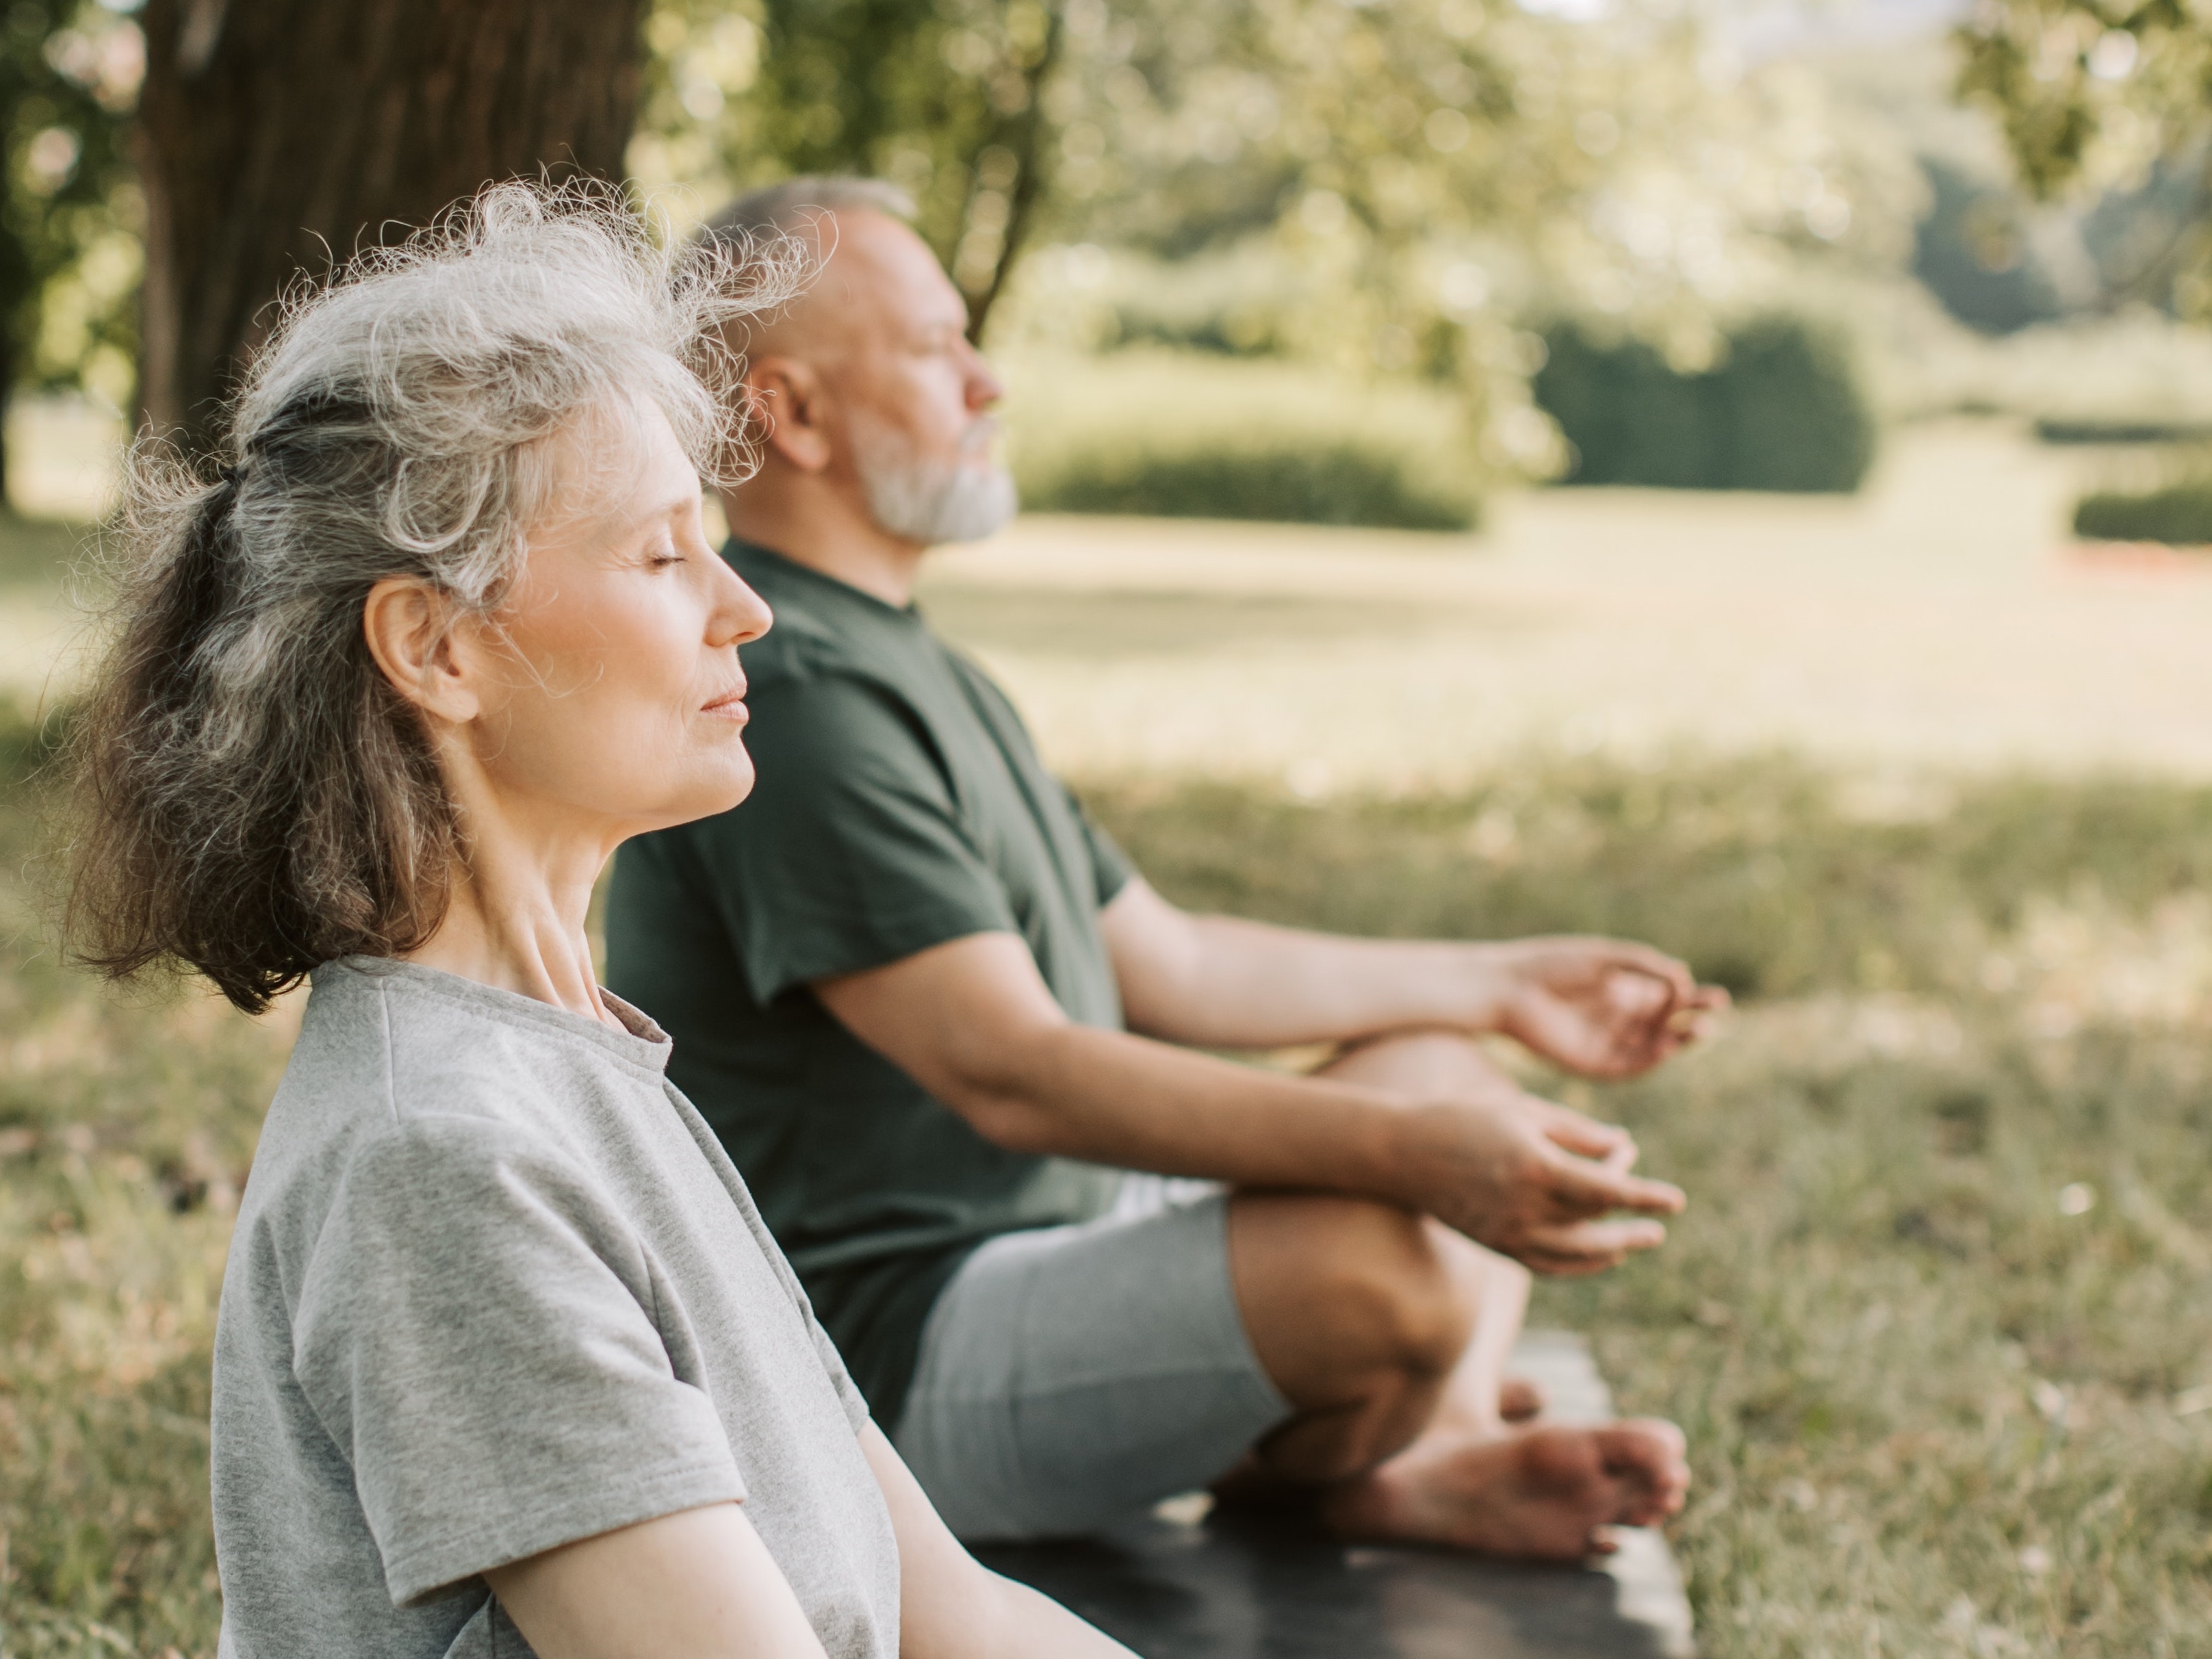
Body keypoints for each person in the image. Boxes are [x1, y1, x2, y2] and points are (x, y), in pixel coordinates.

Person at [62, 187, 1694, 1659]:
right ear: (436, 651)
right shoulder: (440, 1150)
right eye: (658, 557)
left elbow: (944, 1600)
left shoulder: (583, 1063)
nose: (740, 603)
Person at [604, 179, 1727, 1558]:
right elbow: (1012, 1073)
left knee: (1447, 1072)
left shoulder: (910, 663)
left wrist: (1500, 986)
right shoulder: (800, 695)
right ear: (796, 415)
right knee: (1393, 1259)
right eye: (936, 348)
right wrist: (1412, 1158)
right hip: (883, 1362)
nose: (986, 380)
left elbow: (1173, 964)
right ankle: (1385, 1450)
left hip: (1058, 1240)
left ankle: (1407, 1462)